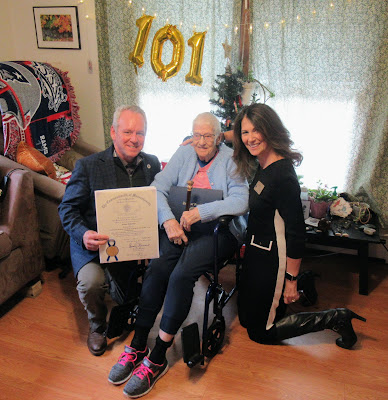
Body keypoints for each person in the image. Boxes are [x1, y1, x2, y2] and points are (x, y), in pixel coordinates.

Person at [108, 112, 248, 397]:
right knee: (157, 269)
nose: (201, 141)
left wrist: (202, 212)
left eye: (208, 136)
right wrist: (167, 220)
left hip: (217, 232)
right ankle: (137, 344)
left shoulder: (232, 160)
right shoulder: (184, 153)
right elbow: (157, 187)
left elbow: (242, 200)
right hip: (179, 227)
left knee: (182, 275)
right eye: (196, 135)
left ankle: (158, 355)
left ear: (219, 137)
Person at [232, 103, 366, 348]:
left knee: (260, 332)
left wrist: (290, 280)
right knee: (245, 319)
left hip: (274, 255)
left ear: (269, 130)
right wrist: (214, 136)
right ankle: (306, 282)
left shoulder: (282, 175)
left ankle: (336, 317)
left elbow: (296, 232)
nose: (250, 138)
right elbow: (239, 137)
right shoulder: (262, 163)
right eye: (245, 132)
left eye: (256, 130)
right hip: (255, 252)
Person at [58, 105, 160, 356]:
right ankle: (97, 326)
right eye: (127, 132)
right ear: (113, 133)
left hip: (129, 246)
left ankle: (126, 304)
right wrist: (83, 235)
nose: (134, 139)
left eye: (140, 133)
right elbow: (67, 209)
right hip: (93, 246)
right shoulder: (88, 166)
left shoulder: (152, 164)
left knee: (132, 291)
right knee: (92, 283)